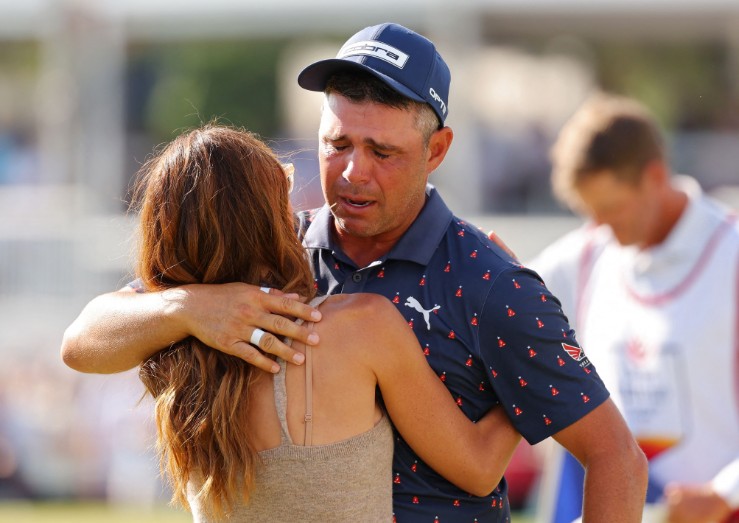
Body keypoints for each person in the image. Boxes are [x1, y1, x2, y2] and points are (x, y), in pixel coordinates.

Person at [61, 23, 648, 522]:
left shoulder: (493, 286)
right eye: (336, 143)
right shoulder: (266, 251)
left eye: (382, 152)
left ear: (437, 150)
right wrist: (187, 308)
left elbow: (616, 456)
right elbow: (85, 340)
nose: (351, 173)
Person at [118, 123, 520, 521]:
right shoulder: (362, 325)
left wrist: (183, 308)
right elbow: (479, 469)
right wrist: (515, 338)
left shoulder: (168, 348)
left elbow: (80, 342)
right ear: (265, 212)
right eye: (284, 183)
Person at [529, 92, 739, 523]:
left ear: (655, 177)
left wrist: (725, 493)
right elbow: (492, 295)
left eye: (610, 208)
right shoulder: (587, 255)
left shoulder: (732, 255)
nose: (599, 226)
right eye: (588, 212)